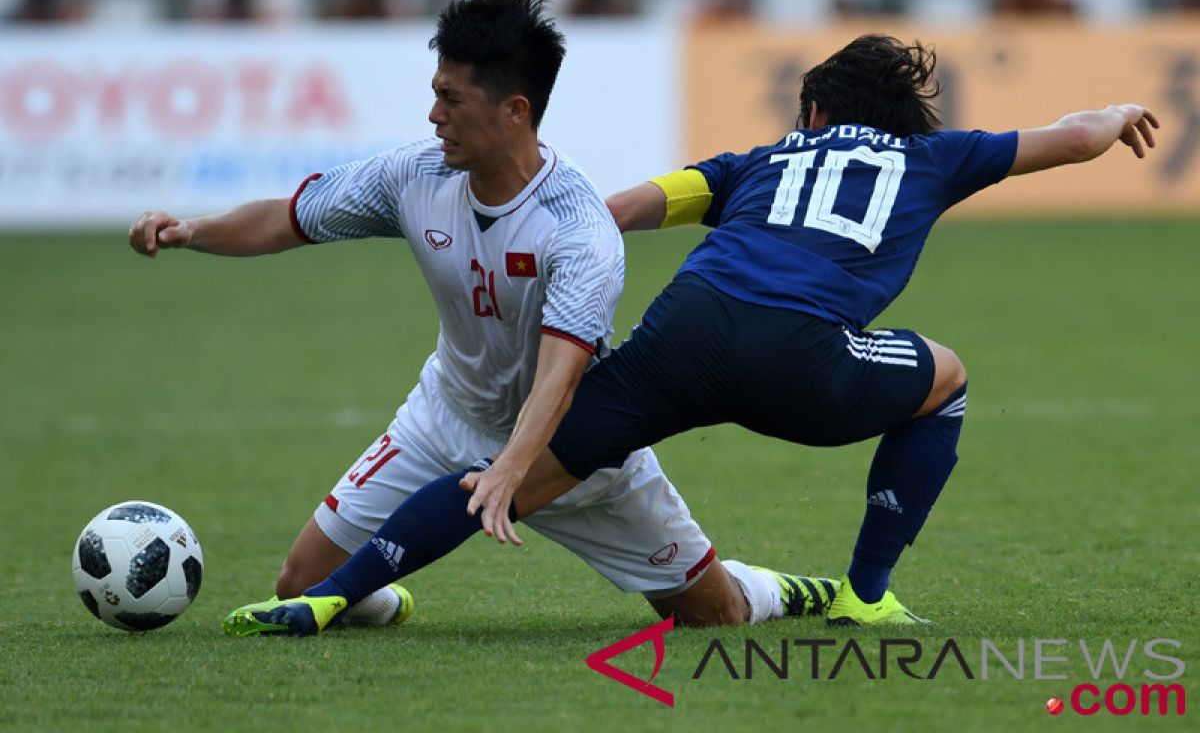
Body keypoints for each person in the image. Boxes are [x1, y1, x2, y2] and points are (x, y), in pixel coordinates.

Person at [245, 33, 1157, 633]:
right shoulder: (936, 157)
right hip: (804, 360)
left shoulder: (755, 162)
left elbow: (629, 207)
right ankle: (864, 595)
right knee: (947, 379)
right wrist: (1116, 116)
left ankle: (327, 600)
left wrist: (560, 243)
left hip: (680, 337)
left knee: (507, 479)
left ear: (812, 115)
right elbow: (1073, 138)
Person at [129, 0, 835, 635]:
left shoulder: (578, 230)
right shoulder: (414, 175)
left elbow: (561, 378)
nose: (433, 115)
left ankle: (780, 588)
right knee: (301, 582)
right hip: (445, 419)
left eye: (451, 98)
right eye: (435, 93)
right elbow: (289, 219)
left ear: (514, 110)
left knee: (713, 615)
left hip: (574, 448)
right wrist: (193, 231)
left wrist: (512, 470)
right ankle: (380, 596)